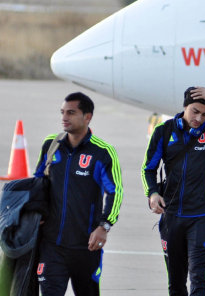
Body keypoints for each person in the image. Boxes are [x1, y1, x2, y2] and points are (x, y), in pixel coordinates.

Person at [142, 86, 205, 296]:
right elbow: (148, 169)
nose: (199, 118)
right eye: (195, 112)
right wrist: (153, 193)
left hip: (202, 217)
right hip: (171, 217)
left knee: (199, 281)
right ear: (184, 107)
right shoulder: (164, 131)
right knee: (176, 283)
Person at [33, 92, 124, 295]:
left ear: (87, 117)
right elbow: (38, 182)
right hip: (51, 245)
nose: (64, 117)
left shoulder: (103, 152)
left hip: (86, 247)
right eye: (63, 112)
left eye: (71, 113)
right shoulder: (51, 144)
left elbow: (115, 191)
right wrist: (36, 213)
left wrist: (104, 226)